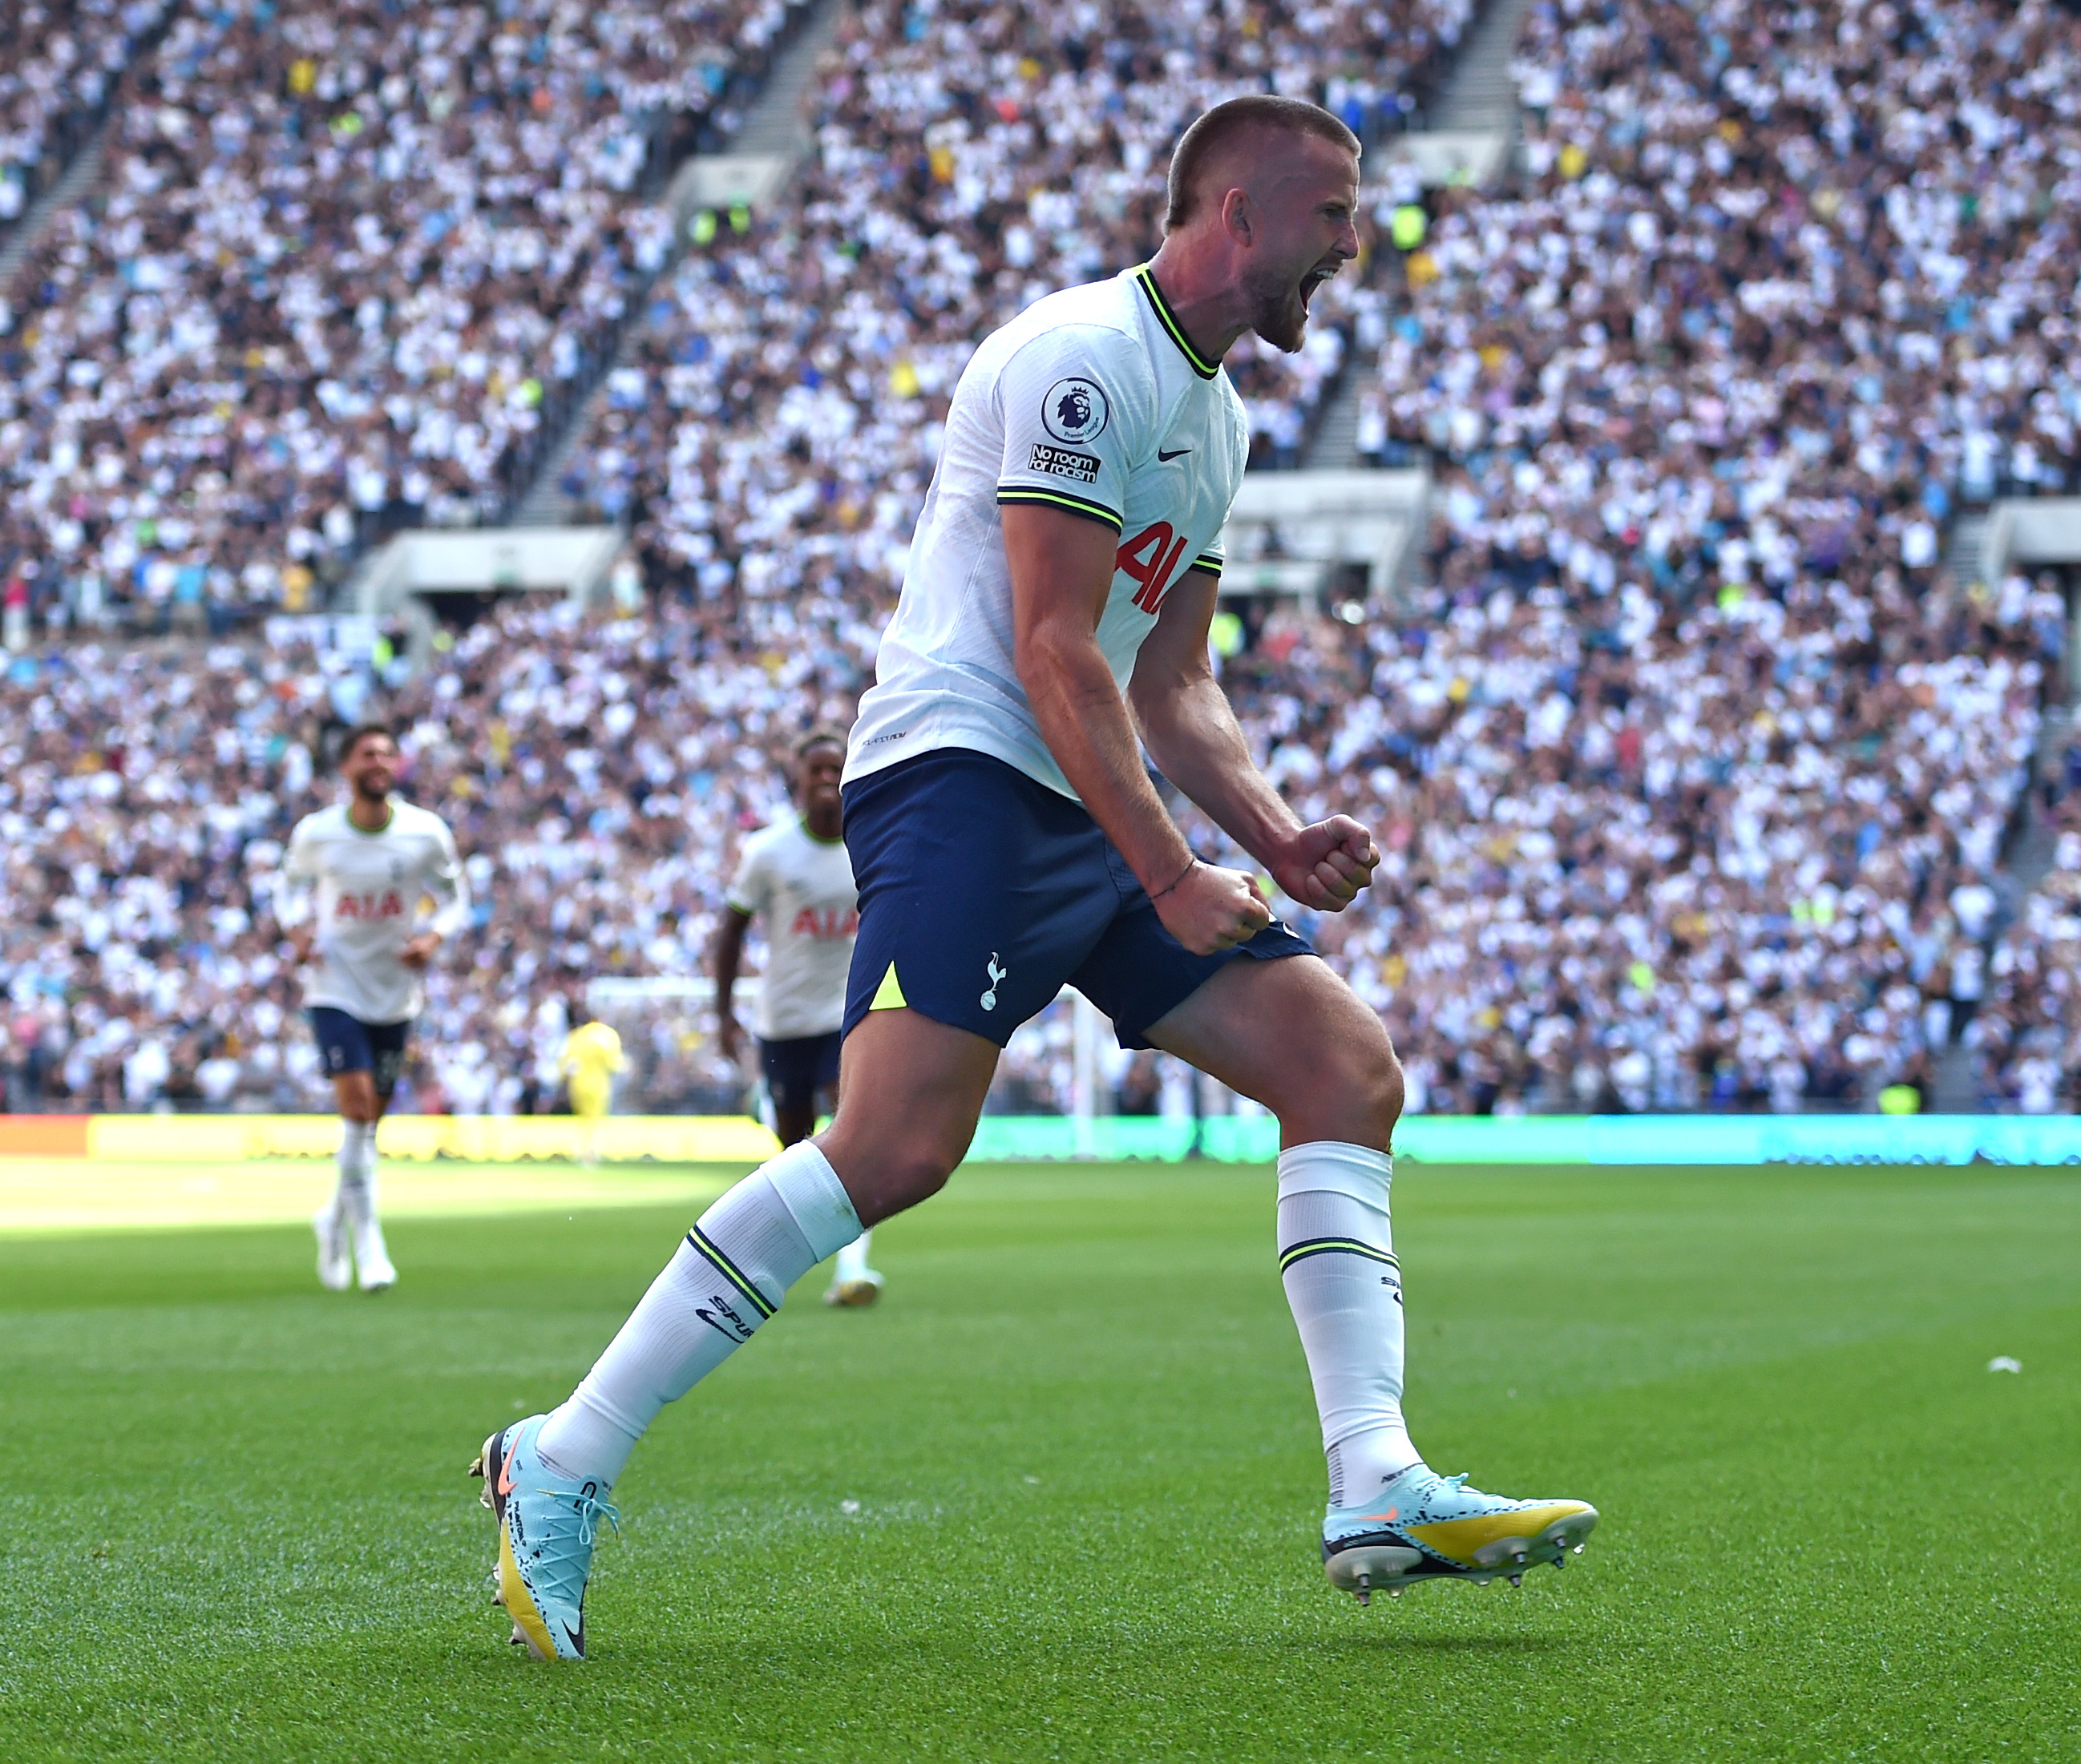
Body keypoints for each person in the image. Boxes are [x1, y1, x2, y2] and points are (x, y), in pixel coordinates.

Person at [474, 95, 1595, 1661]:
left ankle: (1374, 1479)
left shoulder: (1217, 418)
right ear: (1237, 210)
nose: (1353, 246)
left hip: (1089, 791)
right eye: (1333, 213)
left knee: (1343, 1067)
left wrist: (1268, 835)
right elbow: (1052, 643)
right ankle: (563, 1450)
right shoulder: (1082, 355)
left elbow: (1175, 679)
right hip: (967, 780)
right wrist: (1174, 866)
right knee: (892, 1146)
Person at [280, 723, 470, 1292]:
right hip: (335, 985)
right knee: (358, 1108)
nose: (380, 761)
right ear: (346, 767)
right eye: (368, 753)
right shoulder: (318, 834)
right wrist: (295, 928)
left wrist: (432, 937)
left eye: (388, 752)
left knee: (368, 1124)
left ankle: (332, 1220)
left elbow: (456, 897)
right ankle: (371, 1245)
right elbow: (287, 886)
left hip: (395, 991)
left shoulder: (424, 832)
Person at [712, 729, 882, 1306]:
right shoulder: (768, 851)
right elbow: (731, 930)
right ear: (798, 779)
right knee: (792, 1151)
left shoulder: (872, 840)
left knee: (848, 1135)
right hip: (783, 1018)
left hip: (848, 1015)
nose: (825, 778)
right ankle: (779, 1262)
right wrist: (723, 1014)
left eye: (834, 766)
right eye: (814, 769)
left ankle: (852, 1270)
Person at [557, 1003, 627, 1169]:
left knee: (582, 1119)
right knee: (595, 1120)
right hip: (599, 1084)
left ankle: (580, 1150)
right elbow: (614, 1064)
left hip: (578, 1084)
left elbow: (566, 1063)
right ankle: (590, 1154)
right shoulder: (609, 1036)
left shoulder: (577, 1036)